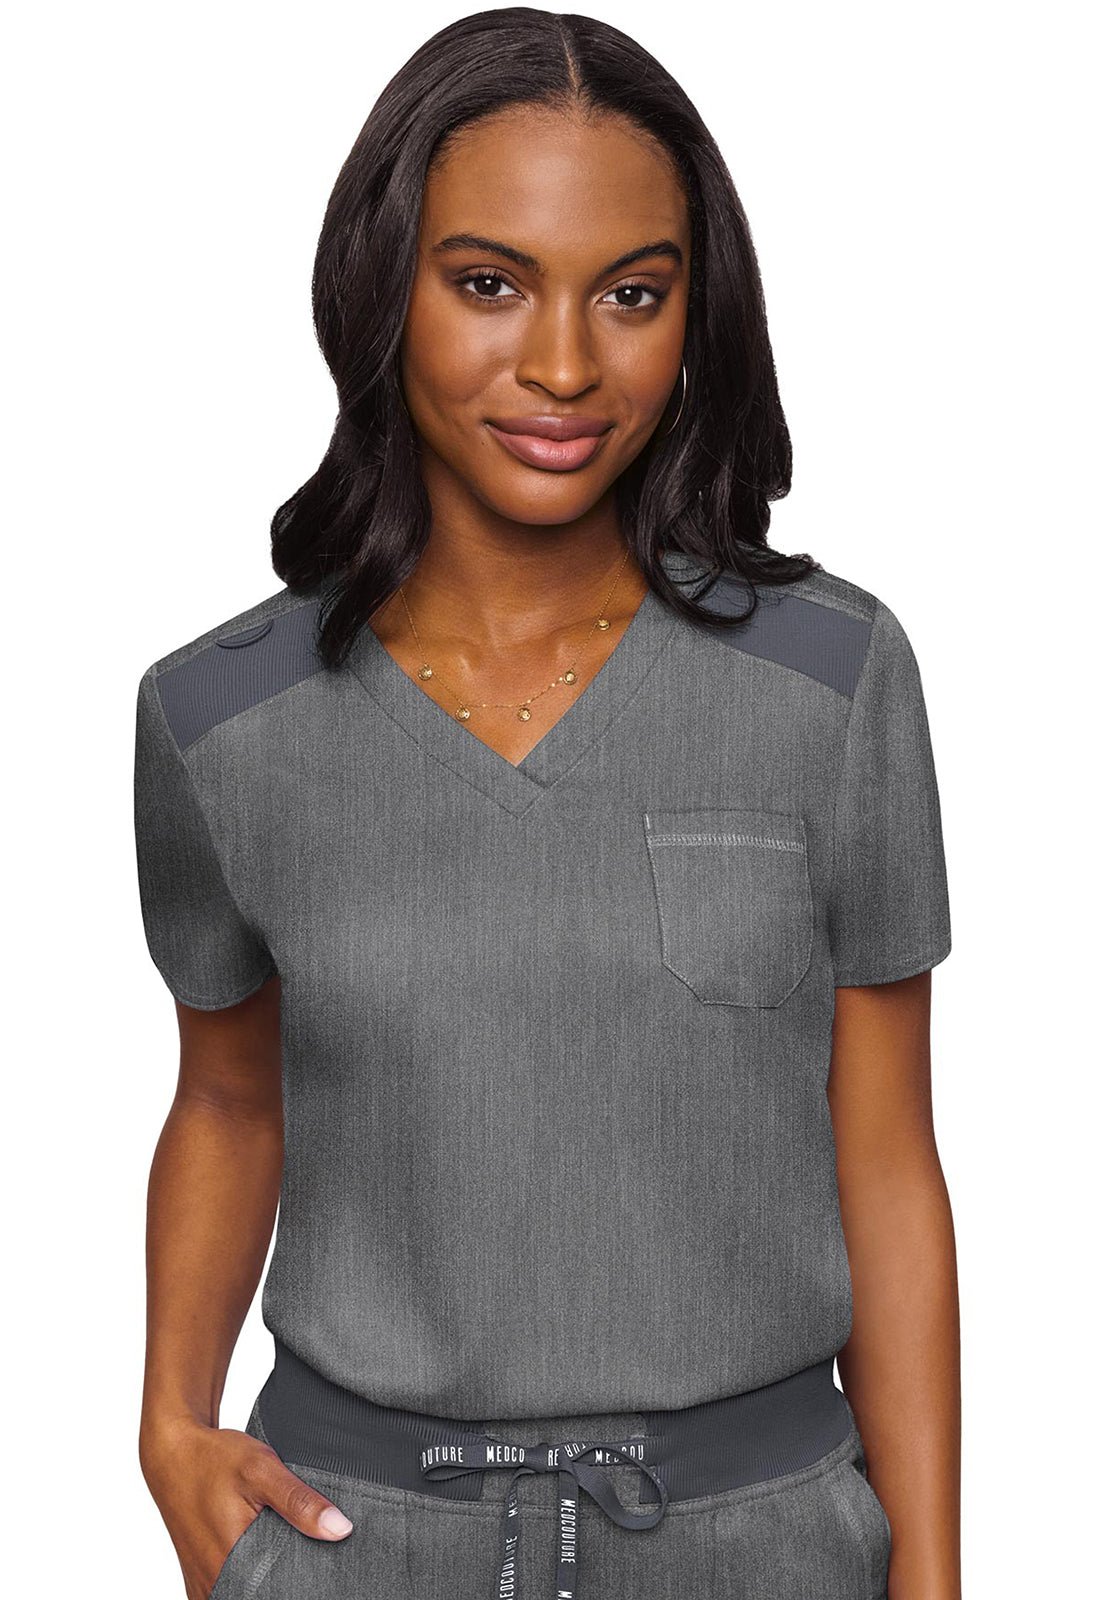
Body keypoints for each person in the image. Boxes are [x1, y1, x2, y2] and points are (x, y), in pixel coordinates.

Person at [133, 10, 960, 1600]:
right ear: (384, 287)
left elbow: (887, 1164)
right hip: (359, 1546)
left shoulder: (833, 681)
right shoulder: (222, 720)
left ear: (699, 314)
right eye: (489, 283)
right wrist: (171, 1426)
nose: (567, 365)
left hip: (761, 1550)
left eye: (632, 294)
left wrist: (929, 1582)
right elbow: (229, 1104)